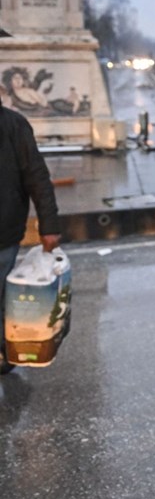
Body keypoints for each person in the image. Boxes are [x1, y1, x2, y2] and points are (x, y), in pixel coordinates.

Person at [0, 94, 60, 372]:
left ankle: (4, 350)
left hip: (3, 233)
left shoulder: (14, 125)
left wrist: (49, 226)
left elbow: (37, 176)